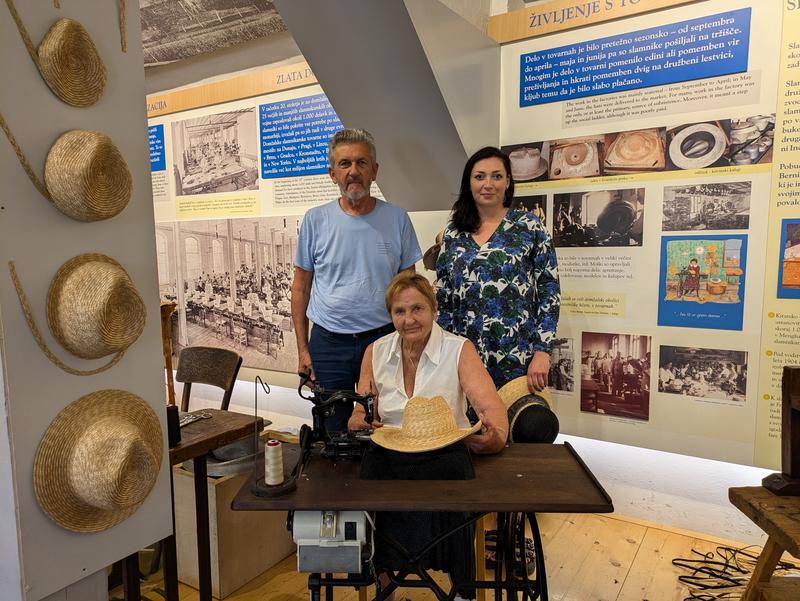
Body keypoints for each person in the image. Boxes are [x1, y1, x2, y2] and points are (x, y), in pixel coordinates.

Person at [348, 272, 508, 600]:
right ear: (390, 315)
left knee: (458, 486)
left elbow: (493, 413)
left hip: (444, 452)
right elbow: (359, 412)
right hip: (391, 451)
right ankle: (384, 581)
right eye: (400, 311)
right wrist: (359, 421)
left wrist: (492, 438)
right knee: (369, 481)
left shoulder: (458, 350)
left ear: (434, 309)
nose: (409, 319)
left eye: (417, 309)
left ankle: (463, 589)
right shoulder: (375, 352)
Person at [292, 128, 422, 431]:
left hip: (382, 341)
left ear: (374, 171)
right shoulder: (315, 220)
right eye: (345, 164)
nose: (354, 171)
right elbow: (301, 288)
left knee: (382, 425)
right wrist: (302, 349)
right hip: (328, 344)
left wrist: (409, 343)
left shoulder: (397, 218)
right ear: (332, 173)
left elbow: (408, 289)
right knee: (332, 430)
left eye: (362, 163)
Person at [436, 146, 560, 398]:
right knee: (468, 428)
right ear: (468, 183)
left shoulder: (529, 226)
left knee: (515, 425)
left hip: (516, 353)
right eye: (479, 176)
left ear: (508, 182)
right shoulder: (453, 233)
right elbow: (444, 299)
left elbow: (550, 293)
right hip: (463, 353)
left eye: (496, 176)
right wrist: (442, 353)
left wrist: (542, 351)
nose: (488, 183)